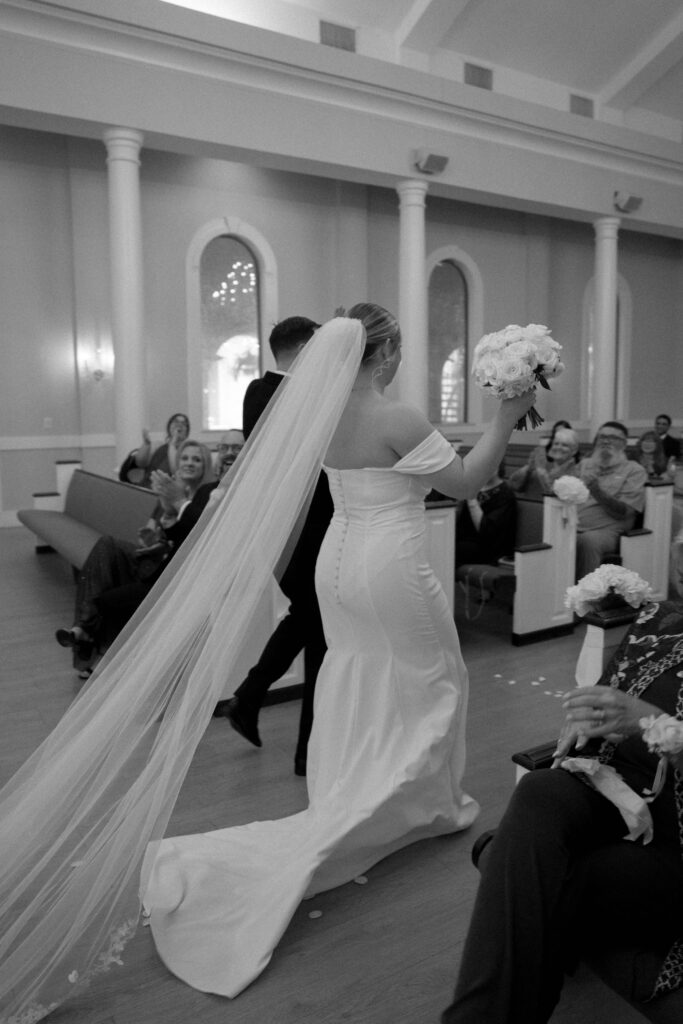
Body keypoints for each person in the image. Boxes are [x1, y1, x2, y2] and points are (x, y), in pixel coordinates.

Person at [0, 310, 535, 1021]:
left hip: (336, 564)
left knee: (351, 672)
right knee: (434, 675)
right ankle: (415, 803)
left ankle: (360, 787)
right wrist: (506, 413)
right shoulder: (393, 414)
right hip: (389, 565)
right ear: (389, 354)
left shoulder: (317, 410)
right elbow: (466, 483)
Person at [441, 599, 683, 1023]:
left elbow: (639, 715)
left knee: (538, 875)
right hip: (615, 788)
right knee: (541, 791)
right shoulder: (660, 619)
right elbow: (608, 692)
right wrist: (589, 715)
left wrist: (650, 720)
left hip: (673, 842)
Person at [218, 315, 328, 777]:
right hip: (301, 533)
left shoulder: (263, 392)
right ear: (304, 349)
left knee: (314, 627)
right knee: (314, 625)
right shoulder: (274, 393)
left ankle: (258, 703)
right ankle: (301, 745)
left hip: (303, 531)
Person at [56, 439, 215, 676]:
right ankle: (85, 634)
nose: (189, 463)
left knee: (106, 577)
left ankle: (84, 634)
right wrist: (152, 539)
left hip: (172, 567)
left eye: (196, 459)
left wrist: (163, 538)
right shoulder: (169, 489)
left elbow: (195, 540)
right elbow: (158, 534)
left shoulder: (206, 494)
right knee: (106, 546)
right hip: (157, 557)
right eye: (185, 458)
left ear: (206, 466)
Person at [575, 421, 647, 578]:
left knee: (587, 540)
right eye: (602, 436)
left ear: (624, 443)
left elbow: (624, 512)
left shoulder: (634, 470)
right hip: (574, 524)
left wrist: (596, 490)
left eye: (613, 437)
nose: (606, 441)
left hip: (608, 531)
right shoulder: (585, 465)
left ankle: (587, 596)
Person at [455, 463, 516, 566]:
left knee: (449, 548)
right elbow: (461, 525)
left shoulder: (505, 495)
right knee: (440, 540)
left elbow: (486, 531)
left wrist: (471, 499)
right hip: (467, 543)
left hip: (490, 549)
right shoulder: (477, 488)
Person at [119, 412, 191, 487]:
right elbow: (140, 463)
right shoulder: (159, 446)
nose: (179, 425)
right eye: (176, 422)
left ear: (186, 432)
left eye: (183, 423)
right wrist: (146, 444)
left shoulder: (187, 450)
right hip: (146, 488)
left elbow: (176, 472)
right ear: (169, 427)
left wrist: (173, 443)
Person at [509, 426, 580, 497]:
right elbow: (513, 485)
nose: (558, 447)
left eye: (565, 445)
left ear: (574, 450)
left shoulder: (576, 472)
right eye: (556, 444)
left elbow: (552, 495)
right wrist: (528, 468)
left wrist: (540, 471)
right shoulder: (544, 464)